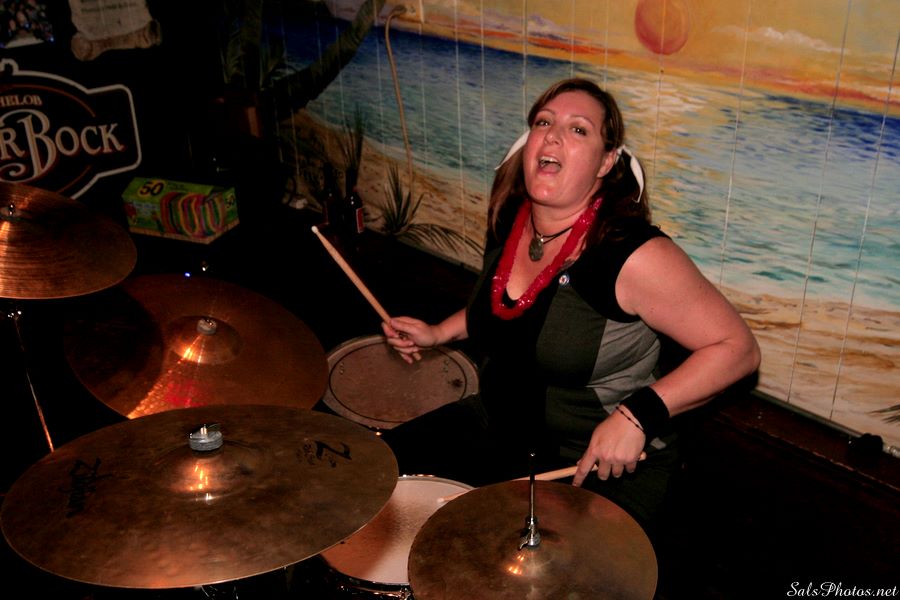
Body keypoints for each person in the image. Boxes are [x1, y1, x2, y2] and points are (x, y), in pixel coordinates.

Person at [380, 78, 761, 533]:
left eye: (579, 129)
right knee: (373, 477)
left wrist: (638, 416)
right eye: (544, 123)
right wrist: (438, 333)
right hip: (499, 425)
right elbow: (508, 309)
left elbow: (737, 349)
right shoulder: (511, 215)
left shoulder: (632, 255)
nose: (553, 135)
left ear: (606, 161)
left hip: (596, 463)